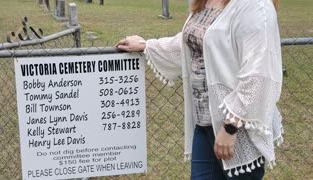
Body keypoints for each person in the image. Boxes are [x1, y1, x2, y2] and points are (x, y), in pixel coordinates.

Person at [116, 0, 283, 179]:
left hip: (238, 131)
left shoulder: (255, 5)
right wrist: (147, 45)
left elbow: (259, 73)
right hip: (204, 123)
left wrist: (231, 127)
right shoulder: (205, 2)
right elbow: (193, 42)